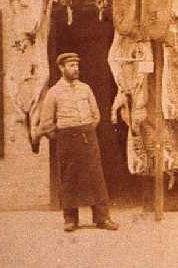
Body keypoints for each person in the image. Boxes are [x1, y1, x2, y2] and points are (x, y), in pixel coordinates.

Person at [37, 52, 119, 232]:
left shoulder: (85, 89)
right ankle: (70, 218)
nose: (75, 69)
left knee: (96, 177)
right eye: (71, 66)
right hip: (67, 139)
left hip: (88, 137)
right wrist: (61, 136)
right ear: (61, 68)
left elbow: (95, 114)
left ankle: (102, 218)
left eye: (76, 65)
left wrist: (87, 128)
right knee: (69, 178)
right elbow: (46, 122)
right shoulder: (54, 92)